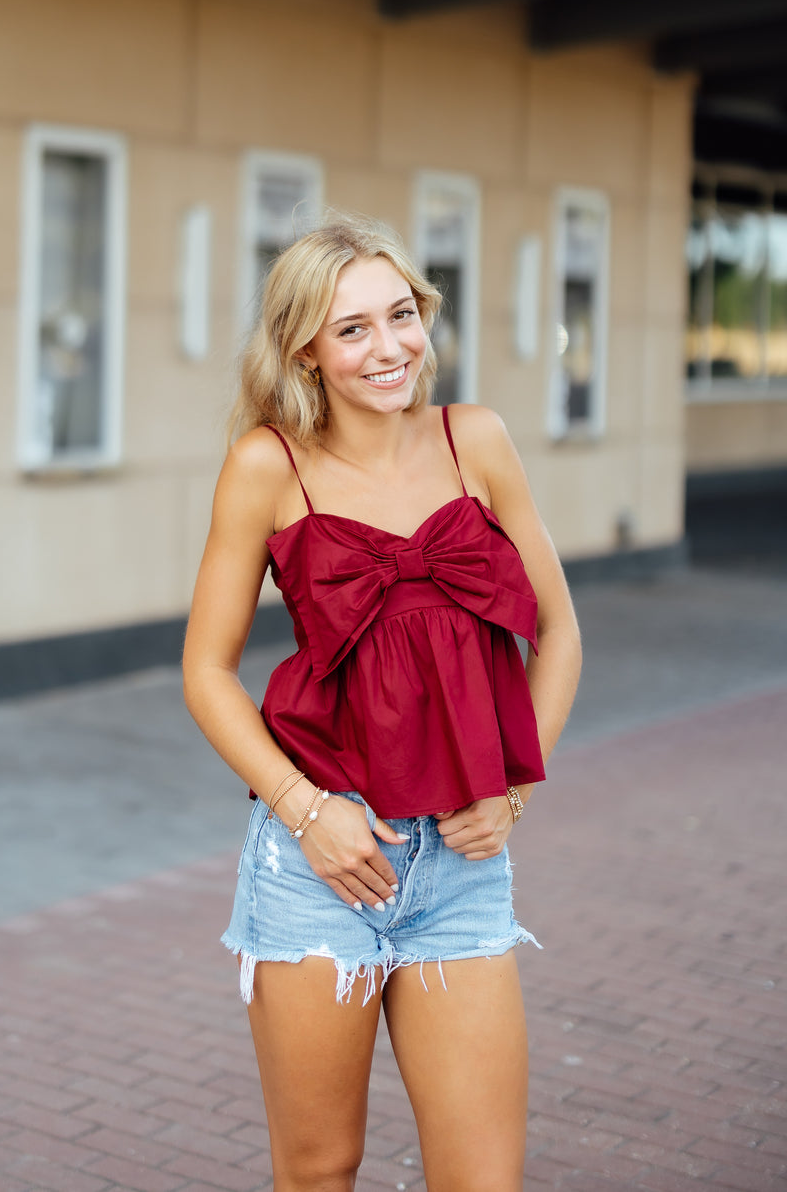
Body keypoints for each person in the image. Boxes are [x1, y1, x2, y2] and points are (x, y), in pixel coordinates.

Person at [182, 214, 582, 1192]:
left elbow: (560, 635)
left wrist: (515, 788)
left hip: (461, 868)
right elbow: (206, 672)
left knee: (483, 1180)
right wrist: (307, 813)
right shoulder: (266, 467)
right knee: (322, 1169)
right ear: (305, 351)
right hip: (320, 865)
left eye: (401, 314)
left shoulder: (474, 440)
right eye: (351, 328)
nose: (388, 346)